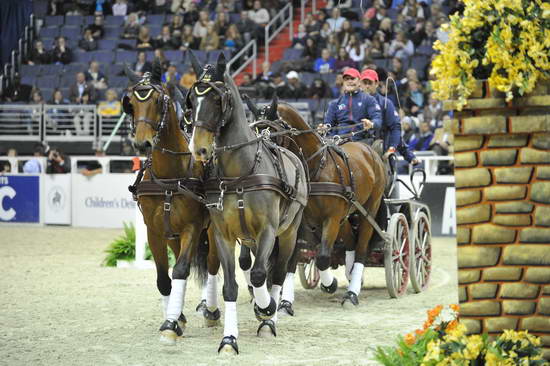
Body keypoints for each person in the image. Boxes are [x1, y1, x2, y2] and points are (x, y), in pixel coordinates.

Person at [360, 69, 418, 165]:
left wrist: (392, 149)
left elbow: (395, 128)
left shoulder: (385, 103)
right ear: (360, 84)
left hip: (381, 149)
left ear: (376, 84)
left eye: (370, 83)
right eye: (364, 83)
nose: (367, 86)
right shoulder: (352, 103)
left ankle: (407, 154)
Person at [320, 68, 382, 142]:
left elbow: (378, 120)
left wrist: (371, 124)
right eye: (346, 79)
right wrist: (324, 128)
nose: (349, 81)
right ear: (343, 82)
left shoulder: (369, 99)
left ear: (359, 82)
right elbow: (328, 124)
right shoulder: (334, 103)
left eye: (352, 78)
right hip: (338, 141)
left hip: (362, 140)